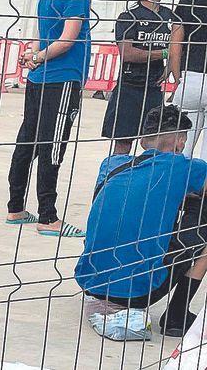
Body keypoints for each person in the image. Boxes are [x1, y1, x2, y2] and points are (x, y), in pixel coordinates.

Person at [75, 105, 207, 338]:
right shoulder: (183, 167)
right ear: (180, 141)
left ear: (144, 141)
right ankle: (177, 315)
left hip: (90, 281)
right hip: (135, 292)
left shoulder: (111, 164)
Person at [7, 0, 104, 237]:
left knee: (28, 142)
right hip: (61, 79)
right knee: (54, 146)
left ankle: (16, 207)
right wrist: (38, 56)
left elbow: (43, 35)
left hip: (40, 79)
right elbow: (65, 40)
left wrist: (34, 57)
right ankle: (48, 217)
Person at [103, 0, 180, 156]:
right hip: (129, 89)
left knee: (157, 146)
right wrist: (165, 53)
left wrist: (173, 62)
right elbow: (128, 54)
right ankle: (113, 183)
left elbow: (181, 45)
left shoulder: (170, 17)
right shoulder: (129, 16)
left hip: (154, 90)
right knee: (122, 147)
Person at [174, 0, 207, 159]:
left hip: (190, 77)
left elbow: (175, 44)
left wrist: (178, 77)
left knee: (180, 150)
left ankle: (178, 186)